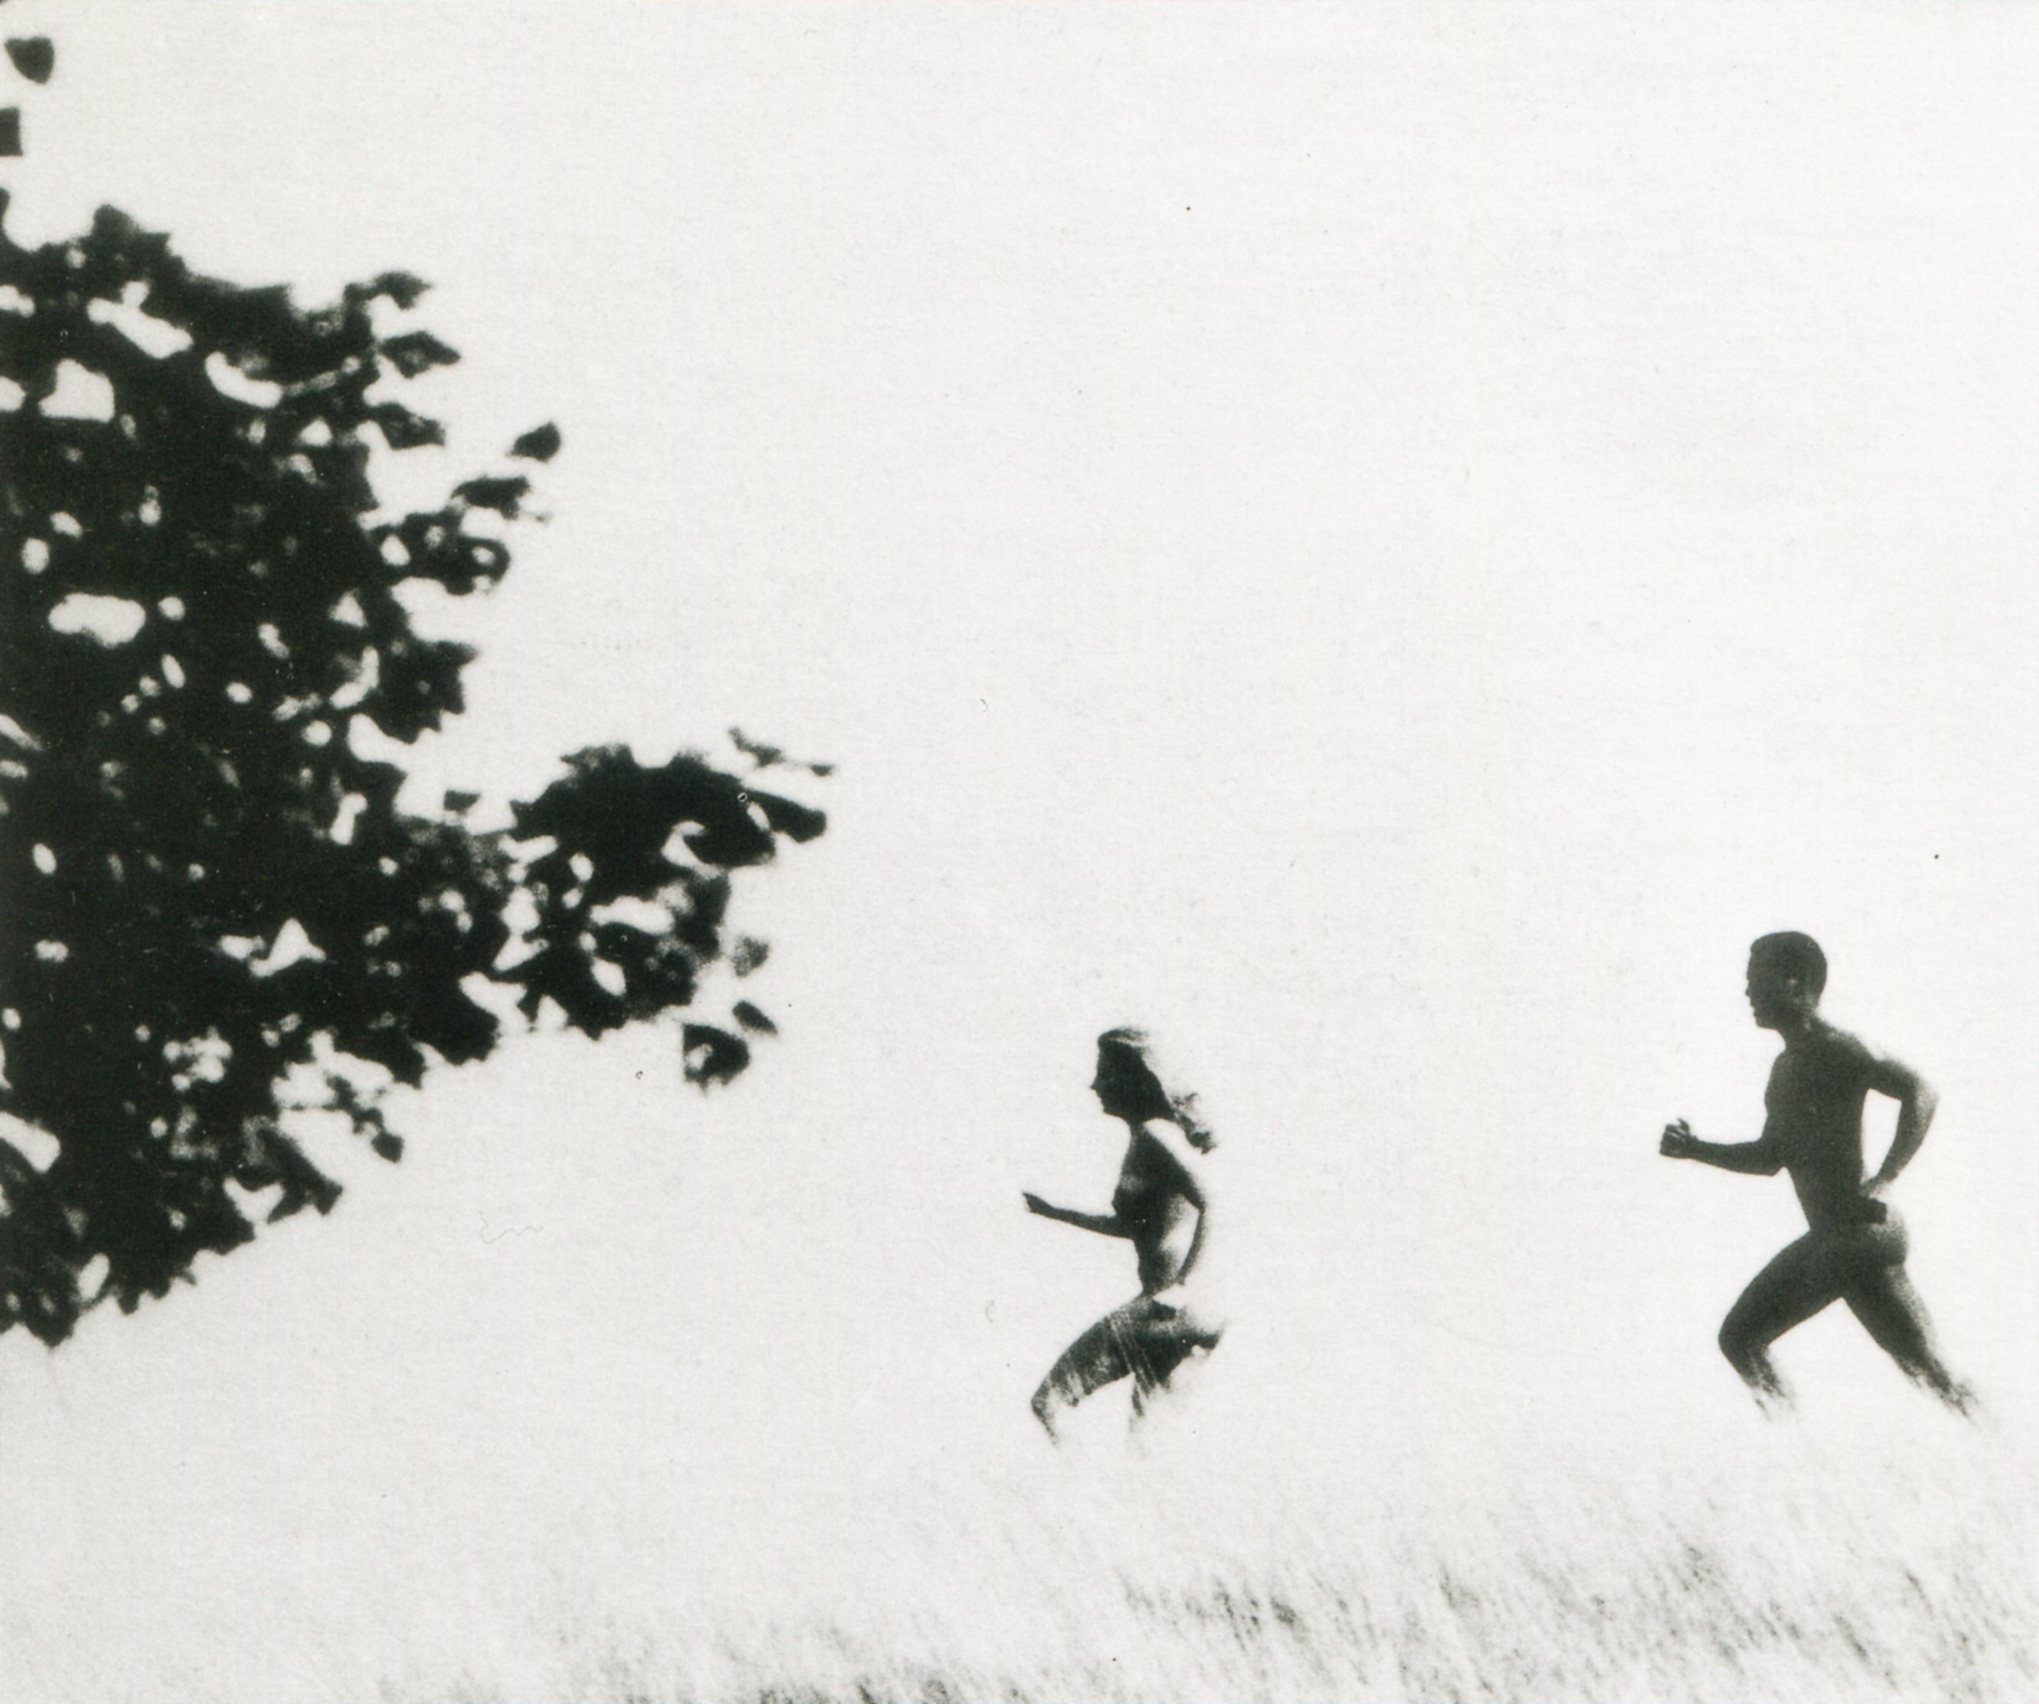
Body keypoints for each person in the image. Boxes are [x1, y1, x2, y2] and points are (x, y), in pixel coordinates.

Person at [1660, 931, 1974, 1412]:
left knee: (1740, 1337)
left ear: (1795, 983)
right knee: (1928, 1370)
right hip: (1847, 1237)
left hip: (1857, 1231)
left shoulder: (1838, 1047)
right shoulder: (1785, 1068)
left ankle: (1790, 1444)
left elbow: (1921, 1091)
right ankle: (2000, 1443)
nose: (1747, 991)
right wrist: (1695, 1149)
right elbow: (1770, 1158)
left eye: (1756, 980)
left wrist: (1885, 1179)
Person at [1024, 1028, 1224, 1440]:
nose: (1095, 1085)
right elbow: (1134, 1227)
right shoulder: (1145, 1139)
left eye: (1104, 1073)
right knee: (1149, 1438)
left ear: (1134, 1079)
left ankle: (1073, 1482)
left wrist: (1183, 1286)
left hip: (1167, 1308)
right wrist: (1054, 1212)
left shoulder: (1154, 1135)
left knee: (1050, 1402)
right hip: (1188, 1312)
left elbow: (1212, 1201)